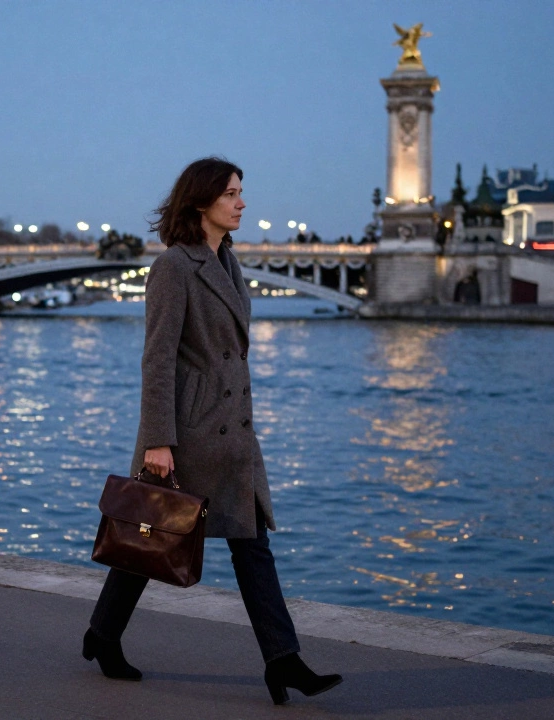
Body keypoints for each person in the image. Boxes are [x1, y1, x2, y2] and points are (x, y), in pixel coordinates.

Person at [82, 158, 341, 705]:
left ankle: (283, 659)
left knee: (248, 543)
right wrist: (158, 440)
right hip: (189, 429)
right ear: (203, 202)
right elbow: (157, 359)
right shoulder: (174, 267)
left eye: (242, 192)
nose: (242, 202)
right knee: (152, 533)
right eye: (231, 194)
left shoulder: (229, 260)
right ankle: (104, 635)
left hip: (232, 431)